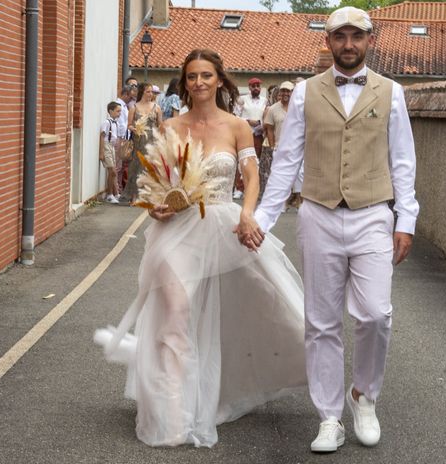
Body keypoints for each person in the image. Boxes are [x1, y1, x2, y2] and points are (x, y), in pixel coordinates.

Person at [94, 48, 306, 448]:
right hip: (176, 231)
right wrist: (156, 206)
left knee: (261, 303)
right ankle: (174, 415)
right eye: (192, 76)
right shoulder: (171, 125)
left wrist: (249, 214)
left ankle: (245, 380)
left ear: (221, 80)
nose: (199, 83)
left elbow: (251, 175)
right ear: (185, 82)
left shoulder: (239, 126)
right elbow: (156, 180)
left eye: (206, 75)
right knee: (176, 313)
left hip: (224, 226)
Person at [247, 7, 420, 453]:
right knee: (320, 322)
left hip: (373, 214)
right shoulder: (304, 93)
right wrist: (264, 218)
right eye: (339, 36)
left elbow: (402, 160)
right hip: (318, 213)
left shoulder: (392, 92)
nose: (348, 44)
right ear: (327, 42)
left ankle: (364, 396)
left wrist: (407, 218)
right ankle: (328, 417)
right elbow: (286, 162)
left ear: (369, 40)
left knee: (376, 314)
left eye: (356, 36)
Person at [121, 82, 163, 203]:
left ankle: (148, 196)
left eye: (152, 92)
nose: (151, 94)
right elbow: (129, 125)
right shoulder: (134, 107)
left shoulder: (157, 107)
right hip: (138, 141)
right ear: (142, 92)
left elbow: (160, 125)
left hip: (152, 142)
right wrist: (133, 128)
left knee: (149, 168)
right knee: (136, 168)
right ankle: (134, 196)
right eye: (148, 91)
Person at [259, 81, 294, 201]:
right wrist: (273, 146)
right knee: (279, 175)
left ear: (292, 93)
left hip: (295, 146)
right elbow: (269, 129)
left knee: (296, 176)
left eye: (288, 91)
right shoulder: (273, 109)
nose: (285, 93)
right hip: (279, 147)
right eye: (283, 91)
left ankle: (294, 200)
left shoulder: (298, 107)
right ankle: (280, 201)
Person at [98, 101, 122, 204]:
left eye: (120, 111)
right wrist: (101, 152)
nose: (119, 113)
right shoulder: (107, 123)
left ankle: (115, 193)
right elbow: (102, 136)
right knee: (111, 171)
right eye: (117, 111)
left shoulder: (115, 123)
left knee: (113, 172)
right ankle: (109, 194)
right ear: (110, 111)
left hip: (112, 147)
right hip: (107, 146)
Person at [115, 85, 132, 193]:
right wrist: (122, 139)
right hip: (120, 138)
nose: (130, 98)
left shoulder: (124, 106)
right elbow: (121, 124)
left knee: (121, 166)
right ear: (125, 94)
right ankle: (116, 190)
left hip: (124, 138)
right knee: (117, 166)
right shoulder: (119, 105)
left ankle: (119, 188)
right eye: (129, 96)